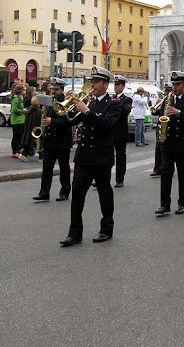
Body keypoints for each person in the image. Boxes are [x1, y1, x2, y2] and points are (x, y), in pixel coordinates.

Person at [60, 66, 121, 247]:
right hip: (84, 157)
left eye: (95, 82)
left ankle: (106, 229)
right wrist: (68, 104)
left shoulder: (113, 104)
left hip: (101, 157)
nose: (92, 85)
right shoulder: (90, 101)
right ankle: (74, 233)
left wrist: (86, 111)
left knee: (104, 194)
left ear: (105, 84)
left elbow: (107, 124)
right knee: (77, 195)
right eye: (91, 81)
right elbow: (69, 120)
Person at [155, 71, 184, 216]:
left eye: (177, 84)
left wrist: (179, 113)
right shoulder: (168, 98)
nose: (174, 87)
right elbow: (161, 116)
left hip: (183, 142)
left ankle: (182, 203)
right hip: (168, 142)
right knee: (165, 173)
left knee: (182, 174)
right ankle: (164, 205)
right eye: (173, 84)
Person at [33, 78, 72, 202]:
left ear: (61, 89)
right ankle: (44, 192)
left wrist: (52, 121)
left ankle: (64, 191)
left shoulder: (67, 102)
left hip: (62, 140)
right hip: (50, 140)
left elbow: (68, 121)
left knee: (64, 167)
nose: (53, 91)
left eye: (56, 89)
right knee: (47, 168)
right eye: (52, 89)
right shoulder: (50, 102)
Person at [112, 75, 132, 187]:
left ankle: (120, 179)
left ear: (123, 86)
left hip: (120, 132)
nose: (116, 87)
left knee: (120, 156)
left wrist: (118, 102)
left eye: (118, 85)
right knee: (107, 156)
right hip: (111, 131)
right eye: (115, 85)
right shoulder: (111, 98)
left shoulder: (127, 99)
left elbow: (126, 112)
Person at [150, 82, 173, 177]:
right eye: (165, 91)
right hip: (161, 125)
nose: (165, 93)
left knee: (166, 149)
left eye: (167, 91)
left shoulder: (172, 101)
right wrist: (155, 108)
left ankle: (165, 167)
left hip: (168, 126)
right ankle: (157, 168)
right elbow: (158, 113)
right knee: (158, 148)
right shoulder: (164, 100)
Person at [20, 85, 41, 161]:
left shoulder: (30, 109)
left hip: (29, 128)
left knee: (28, 141)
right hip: (34, 128)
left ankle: (24, 154)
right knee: (36, 141)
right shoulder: (37, 111)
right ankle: (40, 156)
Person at [9, 83, 27, 157]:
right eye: (24, 90)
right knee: (16, 136)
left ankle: (18, 149)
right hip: (16, 120)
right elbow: (14, 110)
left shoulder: (20, 98)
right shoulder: (16, 99)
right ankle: (14, 151)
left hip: (21, 120)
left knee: (20, 136)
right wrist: (23, 110)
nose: (25, 91)